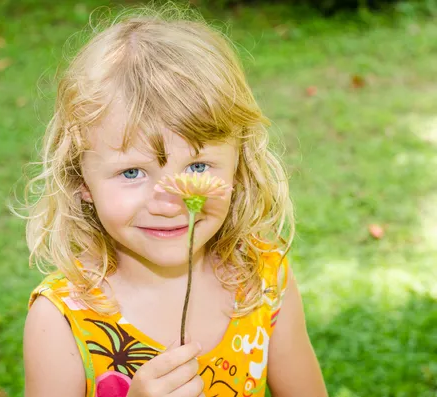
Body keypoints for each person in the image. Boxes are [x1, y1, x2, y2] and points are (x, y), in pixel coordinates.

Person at [20, 3, 327, 396]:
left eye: (198, 167)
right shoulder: (61, 320)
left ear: (239, 166)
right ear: (81, 182)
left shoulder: (264, 280)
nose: (170, 202)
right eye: (132, 172)